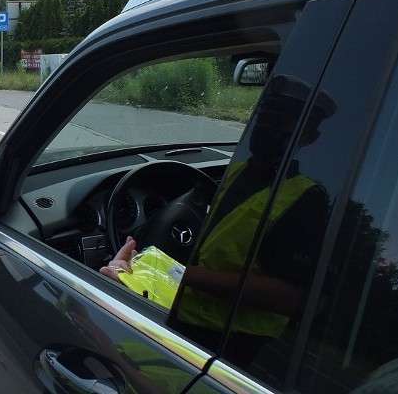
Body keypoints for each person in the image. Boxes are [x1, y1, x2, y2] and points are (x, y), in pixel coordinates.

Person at [102, 75, 335, 367]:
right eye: (265, 115)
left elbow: (292, 297)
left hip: (237, 348)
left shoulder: (308, 198)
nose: (267, 126)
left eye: (283, 121)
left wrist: (179, 274)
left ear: (309, 136)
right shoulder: (236, 171)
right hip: (184, 318)